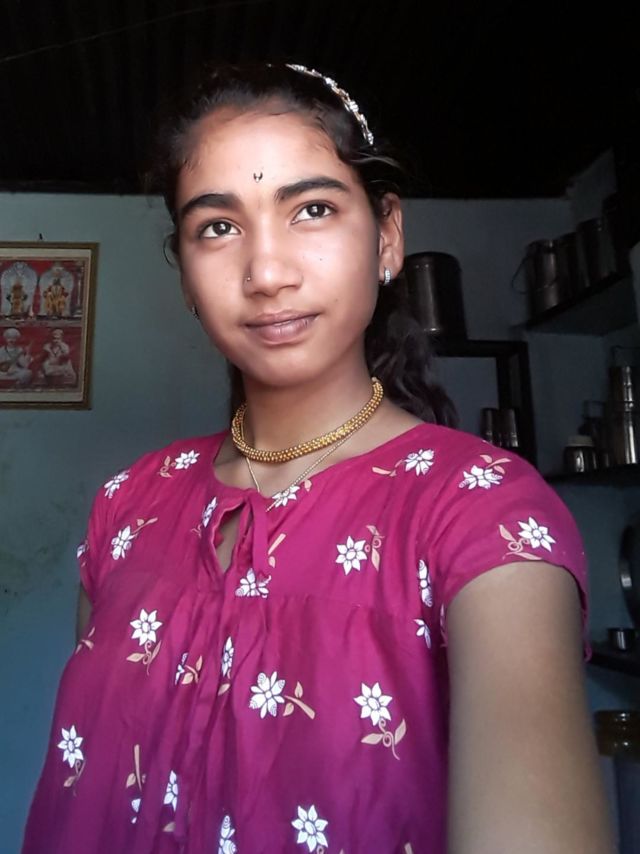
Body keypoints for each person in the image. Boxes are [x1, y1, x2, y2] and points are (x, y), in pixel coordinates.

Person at [23, 63, 614, 854]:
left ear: (387, 236)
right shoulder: (126, 506)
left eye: (312, 209)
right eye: (218, 227)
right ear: (187, 274)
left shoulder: (481, 513)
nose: (267, 274)